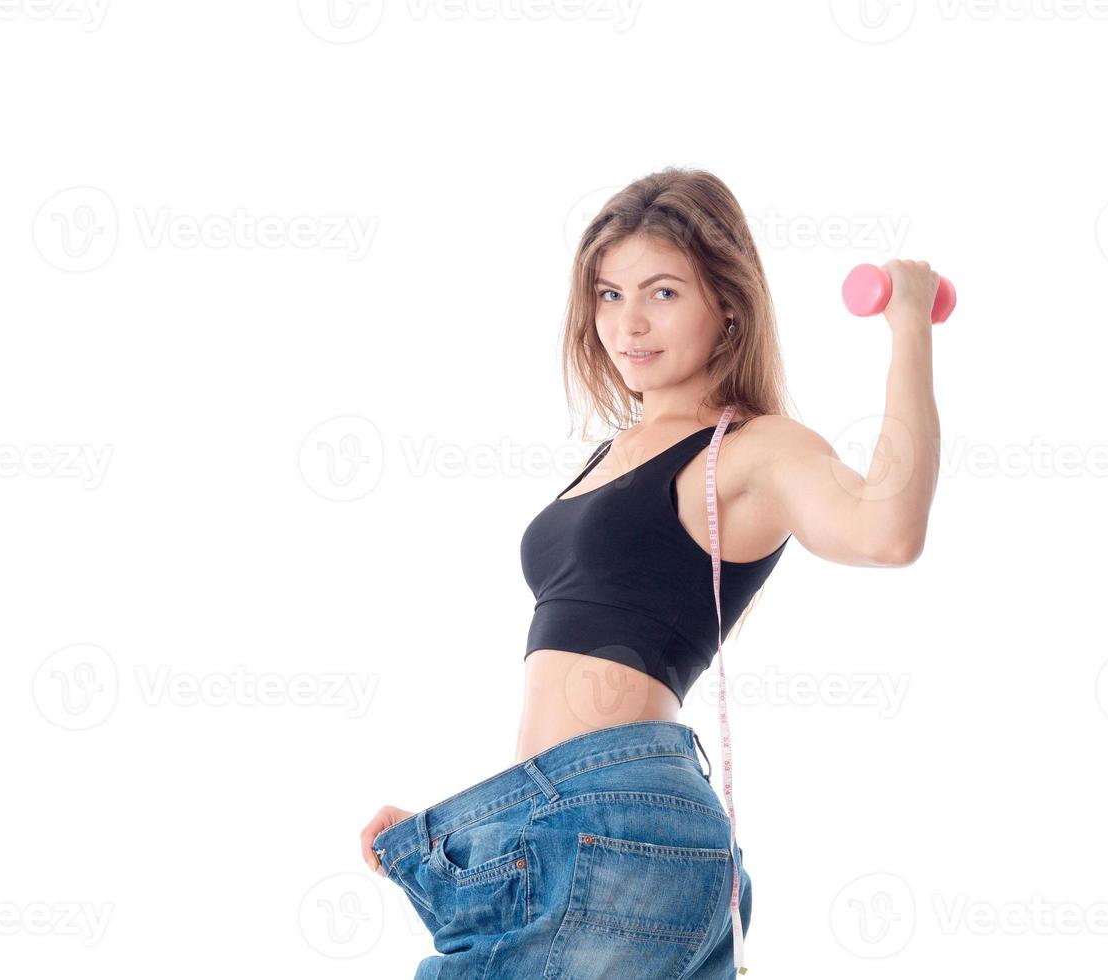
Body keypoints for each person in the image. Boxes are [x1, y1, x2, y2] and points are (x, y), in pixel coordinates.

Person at [358, 167, 941, 978]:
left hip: (616, 821)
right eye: (608, 295)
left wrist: (909, 324)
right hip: (579, 821)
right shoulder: (612, 452)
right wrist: (471, 832)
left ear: (727, 303)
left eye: (663, 293)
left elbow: (887, 529)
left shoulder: (750, 448)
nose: (629, 323)